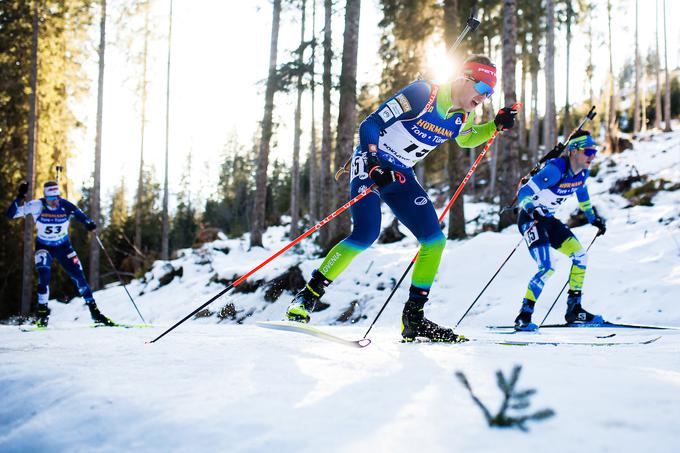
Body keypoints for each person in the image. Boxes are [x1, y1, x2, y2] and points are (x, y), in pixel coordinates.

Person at [286, 55, 518, 342]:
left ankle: (414, 319)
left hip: (401, 173)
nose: (485, 98)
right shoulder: (423, 94)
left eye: (490, 94)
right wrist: (373, 162)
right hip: (373, 161)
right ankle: (306, 298)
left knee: (434, 240)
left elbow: (466, 139)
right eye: (483, 89)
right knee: (365, 233)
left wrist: (494, 126)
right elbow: (370, 125)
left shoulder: (463, 116)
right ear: (465, 78)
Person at [513, 130, 607, 331]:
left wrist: (593, 219)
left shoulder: (582, 173)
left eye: (594, 151)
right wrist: (532, 209)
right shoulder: (556, 169)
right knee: (547, 267)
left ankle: (574, 310)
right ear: (573, 151)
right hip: (531, 220)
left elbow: (583, 194)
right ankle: (524, 315)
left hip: (548, 220)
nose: (592, 156)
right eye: (588, 151)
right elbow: (524, 192)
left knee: (581, 256)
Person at [6, 180, 115, 327]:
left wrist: (89, 223)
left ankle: (95, 313)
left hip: (64, 247)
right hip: (44, 246)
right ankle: (42, 316)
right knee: (44, 276)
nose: (54, 201)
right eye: (51, 198)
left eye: (57, 197)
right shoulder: (37, 205)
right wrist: (20, 197)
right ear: (45, 197)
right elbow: (10, 215)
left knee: (79, 277)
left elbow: (80, 214)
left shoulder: (64, 204)